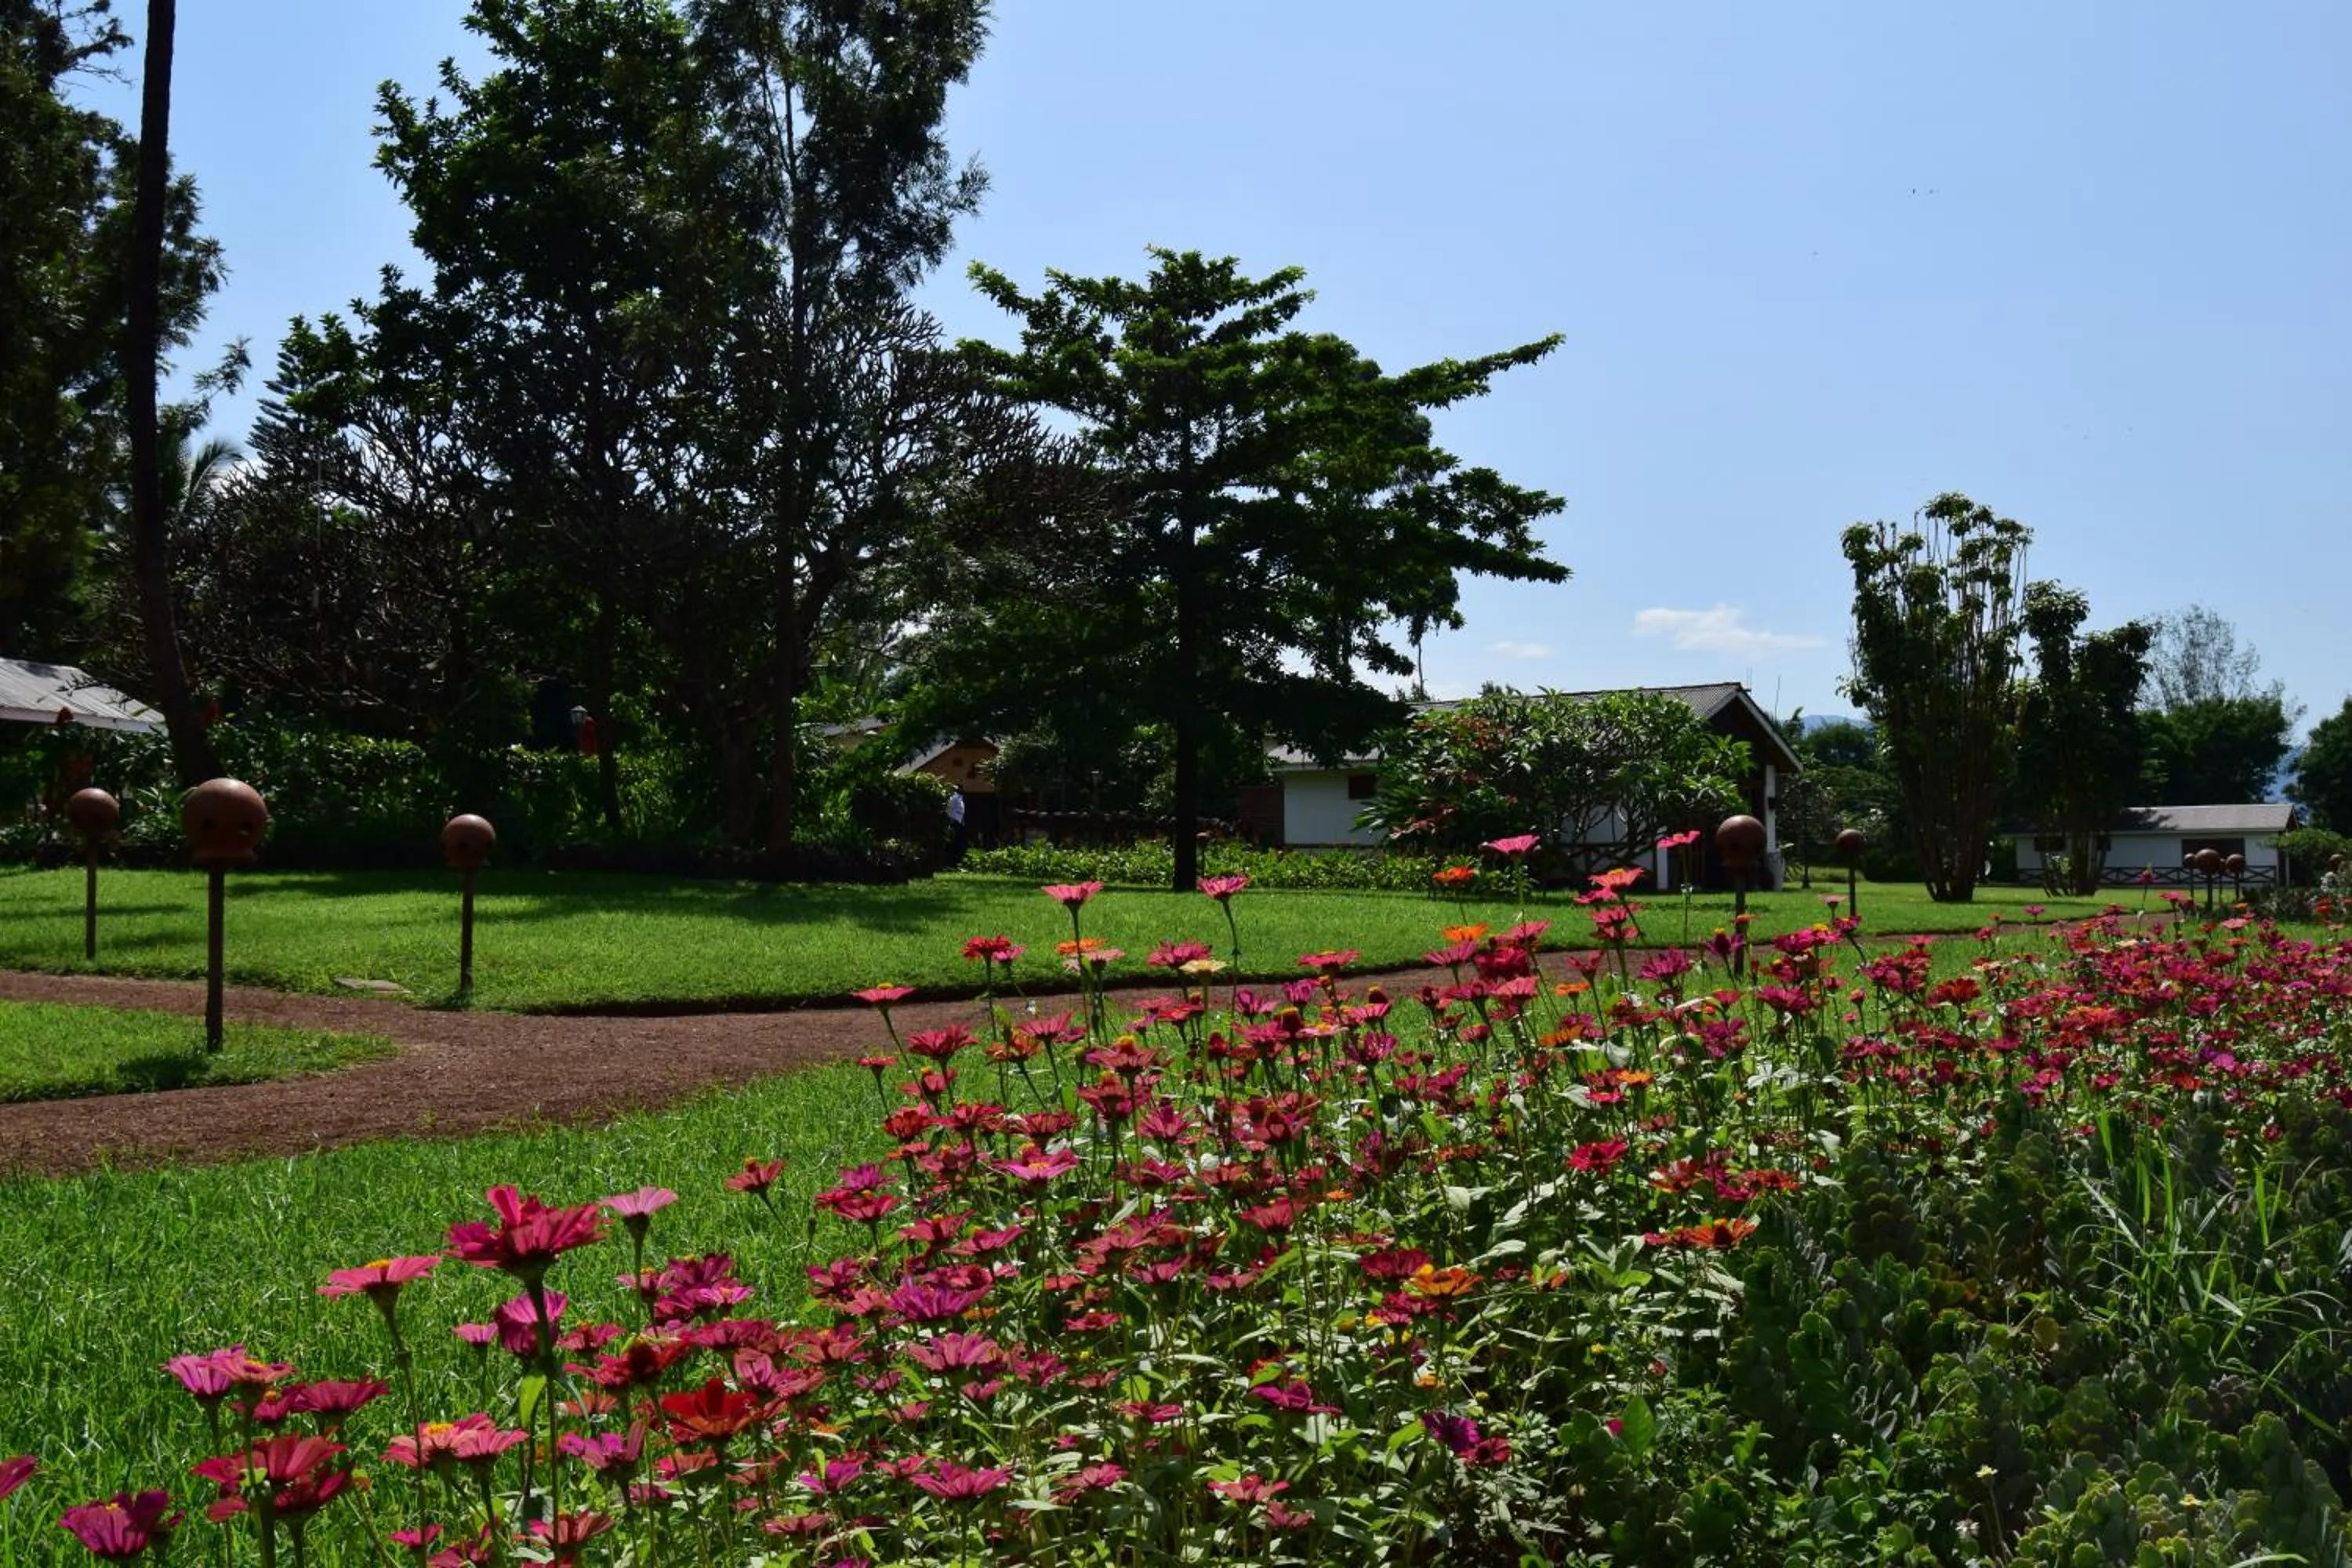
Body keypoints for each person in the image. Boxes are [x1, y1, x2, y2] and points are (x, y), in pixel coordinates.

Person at [946, 785, 967, 864]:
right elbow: (950, 810)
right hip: (954, 822)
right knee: (954, 843)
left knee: (959, 842)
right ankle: (952, 861)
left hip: (959, 822)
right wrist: (950, 822)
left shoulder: (960, 798)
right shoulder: (954, 798)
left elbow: (961, 812)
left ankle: (957, 861)